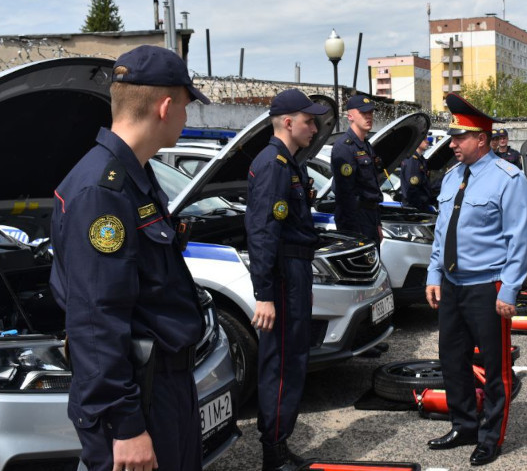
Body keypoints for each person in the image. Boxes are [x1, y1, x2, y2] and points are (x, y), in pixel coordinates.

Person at [50, 45, 211, 471]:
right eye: (186, 106)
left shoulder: (135, 177)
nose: (187, 118)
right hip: (140, 398)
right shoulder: (102, 192)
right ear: (165, 106)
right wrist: (126, 426)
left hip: (163, 385)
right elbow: (95, 318)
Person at [425, 94, 527, 466]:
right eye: (452, 137)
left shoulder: (509, 178)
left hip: (488, 286)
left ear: (482, 139)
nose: (451, 144)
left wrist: (511, 289)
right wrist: (433, 273)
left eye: (459, 138)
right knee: (452, 360)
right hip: (453, 284)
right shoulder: (452, 178)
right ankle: (464, 425)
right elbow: (442, 233)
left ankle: (491, 436)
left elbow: (519, 239)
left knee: (495, 366)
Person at [245, 89, 329, 471]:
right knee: (281, 363)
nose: (315, 127)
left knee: (293, 358)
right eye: (309, 121)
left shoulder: (288, 162)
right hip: (282, 276)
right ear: (289, 122)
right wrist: (264, 294)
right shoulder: (275, 165)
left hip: (293, 271)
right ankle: (273, 455)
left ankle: (279, 444)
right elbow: (263, 232)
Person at [331, 94, 383, 243]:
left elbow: (373, 188)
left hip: (370, 217)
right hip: (355, 220)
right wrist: (352, 232)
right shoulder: (344, 147)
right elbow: (345, 194)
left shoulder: (367, 146)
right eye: (363, 113)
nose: (369, 116)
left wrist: (377, 223)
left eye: (371, 112)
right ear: (350, 116)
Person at [400, 133, 434, 211]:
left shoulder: (420, 160)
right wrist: (418, 207)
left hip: (421, 205)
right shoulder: (413, 161)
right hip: (414, 207)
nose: (427, 141)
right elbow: (412, 188)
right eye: (424, 139)